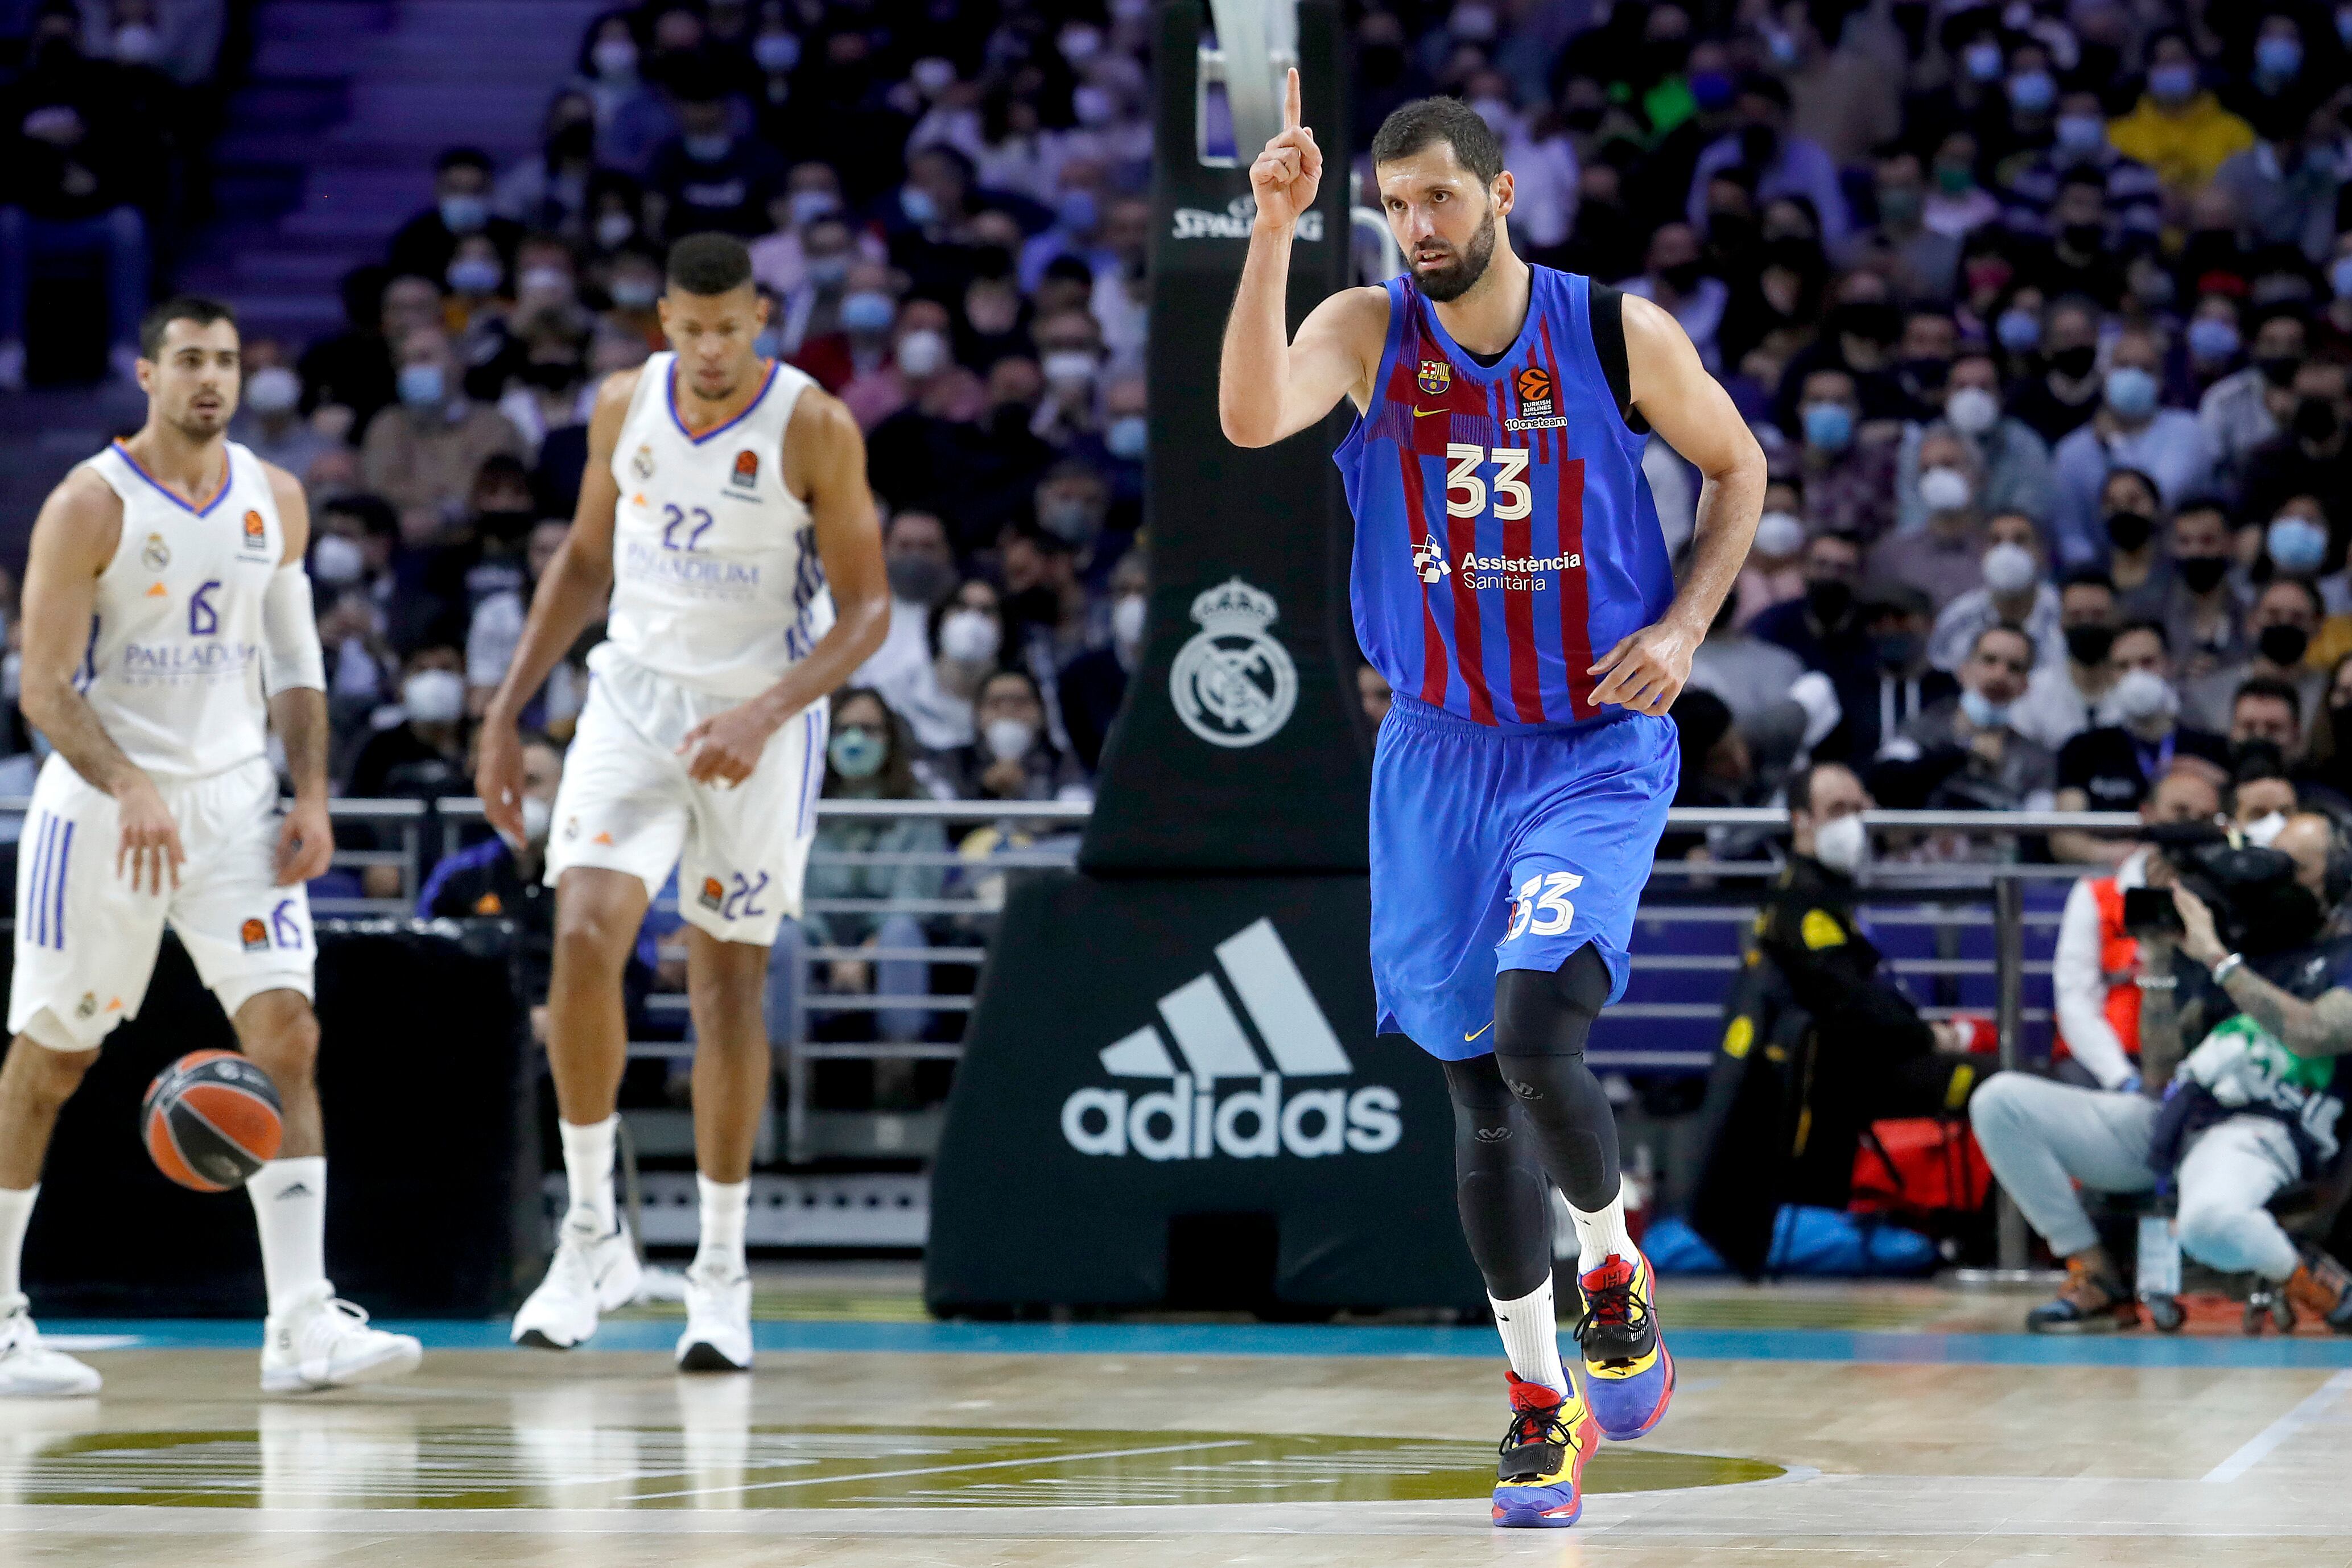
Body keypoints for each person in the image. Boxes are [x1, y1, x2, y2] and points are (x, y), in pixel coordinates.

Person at [1221, 81, 1765, 1528]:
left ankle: (1612, 1260)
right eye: (1393, 206)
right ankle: (1540, 1400)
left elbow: (1736, 466)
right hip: (1439, 756)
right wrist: (1273, 228)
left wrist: (1687, 625)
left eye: (1437, 200)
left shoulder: (1608, 330)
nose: (1415, 228)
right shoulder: (1359, 328)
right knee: (1475, 1096)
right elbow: (1243, 413)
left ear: (1500, 193)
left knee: (1536, 1029)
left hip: (1589, 740)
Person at [473, 233, 888, 1373]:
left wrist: (763, 716)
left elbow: (867, 613)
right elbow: (581, 562)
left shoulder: (814, 424)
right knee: (584, 935)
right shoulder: (625, 405)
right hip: (635, 703)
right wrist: (508, 709)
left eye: (729, 326)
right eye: (690, 328)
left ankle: (718, 1270)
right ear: (665, 322)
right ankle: (592, 1234)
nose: (710, 348)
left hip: (761, 716)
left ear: (760, 318)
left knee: (724, 986)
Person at [0, 297, 421, 1397]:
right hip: (105, 812)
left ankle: (300, 1325)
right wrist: (130, 782)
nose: (211, 380)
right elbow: (42, 685)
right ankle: (0, 1319)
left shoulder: (274, 498)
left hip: (237, 805)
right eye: (189, 360)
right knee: (55, 1061)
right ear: (146, 375)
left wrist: (313, 796)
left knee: (287, 1030)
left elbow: (295, 661)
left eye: (226, 362)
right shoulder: (88, 504)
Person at [1971, 812, 2352, 1332]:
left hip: (2267, 1130)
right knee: (2001, 1102)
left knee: (2206, 1224)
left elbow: (2316, 1033)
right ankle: (2096, 1274)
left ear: (2337, 876)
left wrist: (2219, 961)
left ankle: (2310, 1274)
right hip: (2181, 1115)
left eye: (2295, 868)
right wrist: (2158, 958)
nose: (2276, 878)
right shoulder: (2242, 942)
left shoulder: (2338, 955)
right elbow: (2158, 1074)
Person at [1689, 761, 1996, 1274]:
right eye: (1836, 811)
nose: (1853, 823)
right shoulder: (1801, 902)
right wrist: (1927, 1035)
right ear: (1800, 821)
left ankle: (1978, 1240)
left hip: (1870, 1062)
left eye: (1859, 809)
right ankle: (1986, 1247)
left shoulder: (1833, 890)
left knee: (1995, 1070)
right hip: (1845, 1081)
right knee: (1996, 1084)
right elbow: (1852, 1007)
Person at [2050, 768, 2227, 1090]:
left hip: (2200, 1067)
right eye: (2180, 812)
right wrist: (2120, 1078)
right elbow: (2075, 999)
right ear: (2148, 815)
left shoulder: (2227, 899)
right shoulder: (2097, 893)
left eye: (2204, 817)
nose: (2188, 827)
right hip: (2107, 1064)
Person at [1926, 512, 2062, 674]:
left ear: (2041, 552)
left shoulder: (2065, 615)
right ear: (1983, 552)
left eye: (2020, 541)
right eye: (1996, 541)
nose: (2007, 551)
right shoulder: (1957, 618)